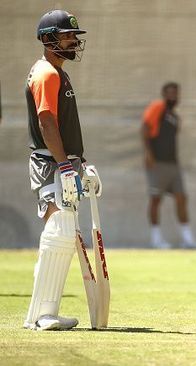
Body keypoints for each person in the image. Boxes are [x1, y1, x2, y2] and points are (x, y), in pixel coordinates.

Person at [24, 10, 99, 330]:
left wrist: (78, 165)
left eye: (73, 36)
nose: (73, 40)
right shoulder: (47, 74)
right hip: (50, 161)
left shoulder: (56, 72)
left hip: (62, 162)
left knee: (64, 235)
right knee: (59, 231)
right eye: (67, 35)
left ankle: (44, 314)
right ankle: (41, 316)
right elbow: (46, 121)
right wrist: (65, 164)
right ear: (46, 39)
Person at [142, 82, 196, 249]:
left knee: (181, 198)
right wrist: (148, 154)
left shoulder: (175, 117)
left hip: (173, 164)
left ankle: (188, 240)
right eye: (170, 93)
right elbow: (144, 128)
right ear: (163, 94)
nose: (173, 96)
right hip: (158, 163)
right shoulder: (157, 107)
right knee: (156, 199)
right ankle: (156, 240)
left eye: (176, 93)